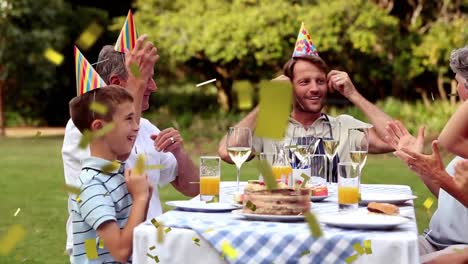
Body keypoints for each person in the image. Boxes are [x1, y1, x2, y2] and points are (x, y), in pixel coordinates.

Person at [63, 36, 199, 261]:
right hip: (100, 253)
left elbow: (193, 188)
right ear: (117, 81)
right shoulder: (82, 128)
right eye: (148, 79)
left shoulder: (144, 126)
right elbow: (122, 156)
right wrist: (141, 196)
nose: (153, 87)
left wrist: (179, 154)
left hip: (148, 249)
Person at [218, 25, 394, 181]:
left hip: (334, 217)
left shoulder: (344, 126)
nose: (315, 88)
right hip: (278, 213)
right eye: (304, 82)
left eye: (320, 81)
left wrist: (354, 95)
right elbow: (227, 153)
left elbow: (395, 140)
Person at [384, 46, 468, 263]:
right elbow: (451, 199)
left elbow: (449, 139)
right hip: (432, 241)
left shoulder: (460, 143)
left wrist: (440, 175)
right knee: (372, 250)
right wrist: (420, 164)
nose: (456, 89)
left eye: (458, 82)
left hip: (459, 250)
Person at [69, 85, 150, 263]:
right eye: (129, 119)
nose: (136, 127)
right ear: (99, 128)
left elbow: (134, 236)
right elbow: (121, 252)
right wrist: (141, 197)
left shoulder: (116, 175)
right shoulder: (90, 186)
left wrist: (146, 195)